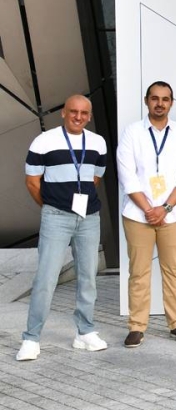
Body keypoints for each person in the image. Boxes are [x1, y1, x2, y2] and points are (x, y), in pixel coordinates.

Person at [17, 95, 109, 362]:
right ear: (63, 113)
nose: (78, 117)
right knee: (46, 278)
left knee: (88, 277)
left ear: (89, 116)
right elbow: (32, 181)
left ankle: (85, 332)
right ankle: (31, 338)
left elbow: (94, 178)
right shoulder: (44, 141)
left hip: (89, 218)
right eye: (73, 111)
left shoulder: (98, 142)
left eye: (83, 113)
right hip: (56, 217)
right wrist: (53, 206)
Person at [116, 81, 176, 347]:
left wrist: (165, 208)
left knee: (173, 270)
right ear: (146, 101)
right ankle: (136, 326)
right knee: (138, 272)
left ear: (171, 102)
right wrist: (148, 209)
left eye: (165, 99)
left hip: (172, 215)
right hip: (137, 215)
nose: (159, 103)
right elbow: (127, 176)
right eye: (155, 98)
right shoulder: (132, 132)